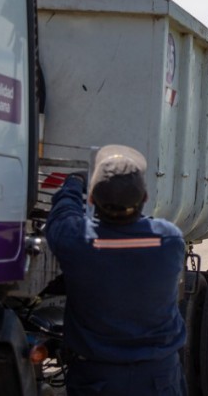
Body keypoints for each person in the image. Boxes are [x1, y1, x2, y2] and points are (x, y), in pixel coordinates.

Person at [46, 145, 187, 396]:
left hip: (97, 380)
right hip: (158, 377)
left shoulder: (75, 241)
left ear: (91, 199)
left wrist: (72, 184)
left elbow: (62, 215)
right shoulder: (170, 240)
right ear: (144, 198)